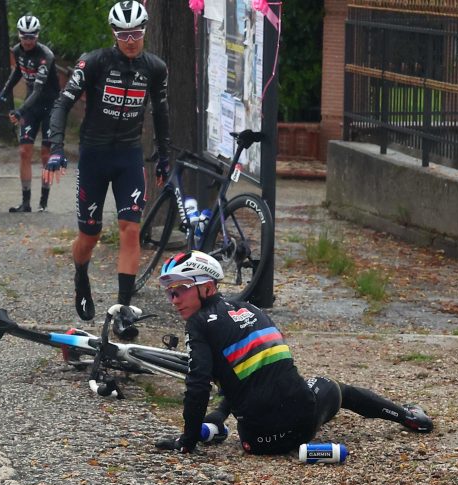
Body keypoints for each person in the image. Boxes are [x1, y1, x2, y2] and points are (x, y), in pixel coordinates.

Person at [154, 251, 434, 454]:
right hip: (304, 419)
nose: (174, 300)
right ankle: (408, 416)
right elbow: (259, 375)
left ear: (207, 287)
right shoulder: (252, 310)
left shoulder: (198, 324)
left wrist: (187, 441)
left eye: (180, 290)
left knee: (247, 394)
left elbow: (198, 386)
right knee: (335, 387)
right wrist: (219, 413)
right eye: (170, 293)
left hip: (256, 442)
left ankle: (213, 429)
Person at [47, 1, 170, 321]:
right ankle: (80, 274)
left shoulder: (155, 68)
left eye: (137, 33)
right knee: (90, 235)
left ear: (145, 31)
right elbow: (62, 104)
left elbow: (162, 111)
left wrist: (164, 154)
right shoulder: (94, 62)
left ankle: (123, 308)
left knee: (131, 229)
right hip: (94, 156)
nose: (131, 40)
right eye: (123, 33)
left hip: (129, 156)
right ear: (114, 33)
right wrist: (56, 148)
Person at [0, 15, 62, 213]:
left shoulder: (46, 55)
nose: (28, 41)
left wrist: (20, 110)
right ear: (19, 36)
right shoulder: (16, 50)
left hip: (50, 105)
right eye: (25, 37)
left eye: (32, 37)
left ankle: (43, 202)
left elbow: (38, 90)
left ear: (37, 36)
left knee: (46, 154)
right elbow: (18, 73)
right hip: (32, 106)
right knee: (24, 152)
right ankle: (26, 202)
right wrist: (3, 94)